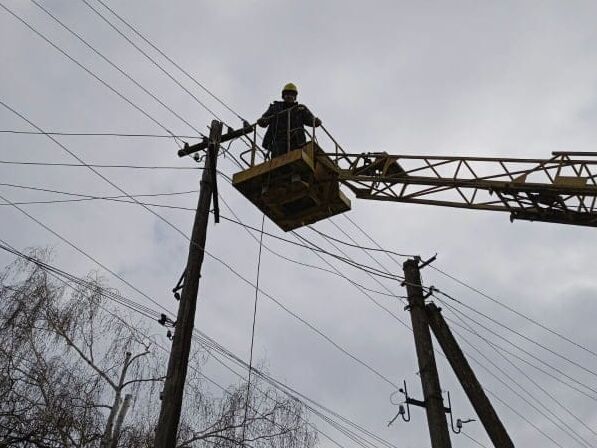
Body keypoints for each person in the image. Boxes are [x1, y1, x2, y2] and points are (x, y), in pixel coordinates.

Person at [257, 83, 322, 158]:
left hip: (296, 141)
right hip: (278, 141)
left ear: (295, 97)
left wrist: (316, 121)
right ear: (283, 96)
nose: (289, 96)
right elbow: (265, 120)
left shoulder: (300, 109)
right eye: (287, 94)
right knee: (278, 158)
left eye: (292, 95)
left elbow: (310, 120)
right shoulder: (275, 107)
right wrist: (262, 121)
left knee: (295, 156)